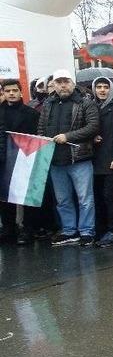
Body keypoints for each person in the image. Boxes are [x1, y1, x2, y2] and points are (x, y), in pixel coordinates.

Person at [39, 69, 99, 246]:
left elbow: (93, 127)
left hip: (79, 159)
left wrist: (68, 136)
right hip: (55, 160)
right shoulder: (48, 104)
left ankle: (87, 231)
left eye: (66, 81)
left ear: (73, 84)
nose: (63, 85)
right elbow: (41, 129)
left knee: (85, 199)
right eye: (59, 82)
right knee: (63, 199)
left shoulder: (85, 103)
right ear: (54, 85)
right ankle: (69, 230)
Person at [0, 80, 40, 244]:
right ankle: (8, 229)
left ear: (21, 92)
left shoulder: (31, 113)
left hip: (25, 159)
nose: (11, 93)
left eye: (14, 90)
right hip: (3, 160)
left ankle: (28, 230)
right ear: (3, 92)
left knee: (25, 196)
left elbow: (38, 136)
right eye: (7, 90)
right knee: (4, 197)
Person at [90, 77, 113, 248]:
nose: (102, 90)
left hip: (112, 159)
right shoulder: (92, 106)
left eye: (106, 87)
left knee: (110, 196)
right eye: (99, 87)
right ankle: (102, 229)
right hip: (96, 159)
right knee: (99, 197)